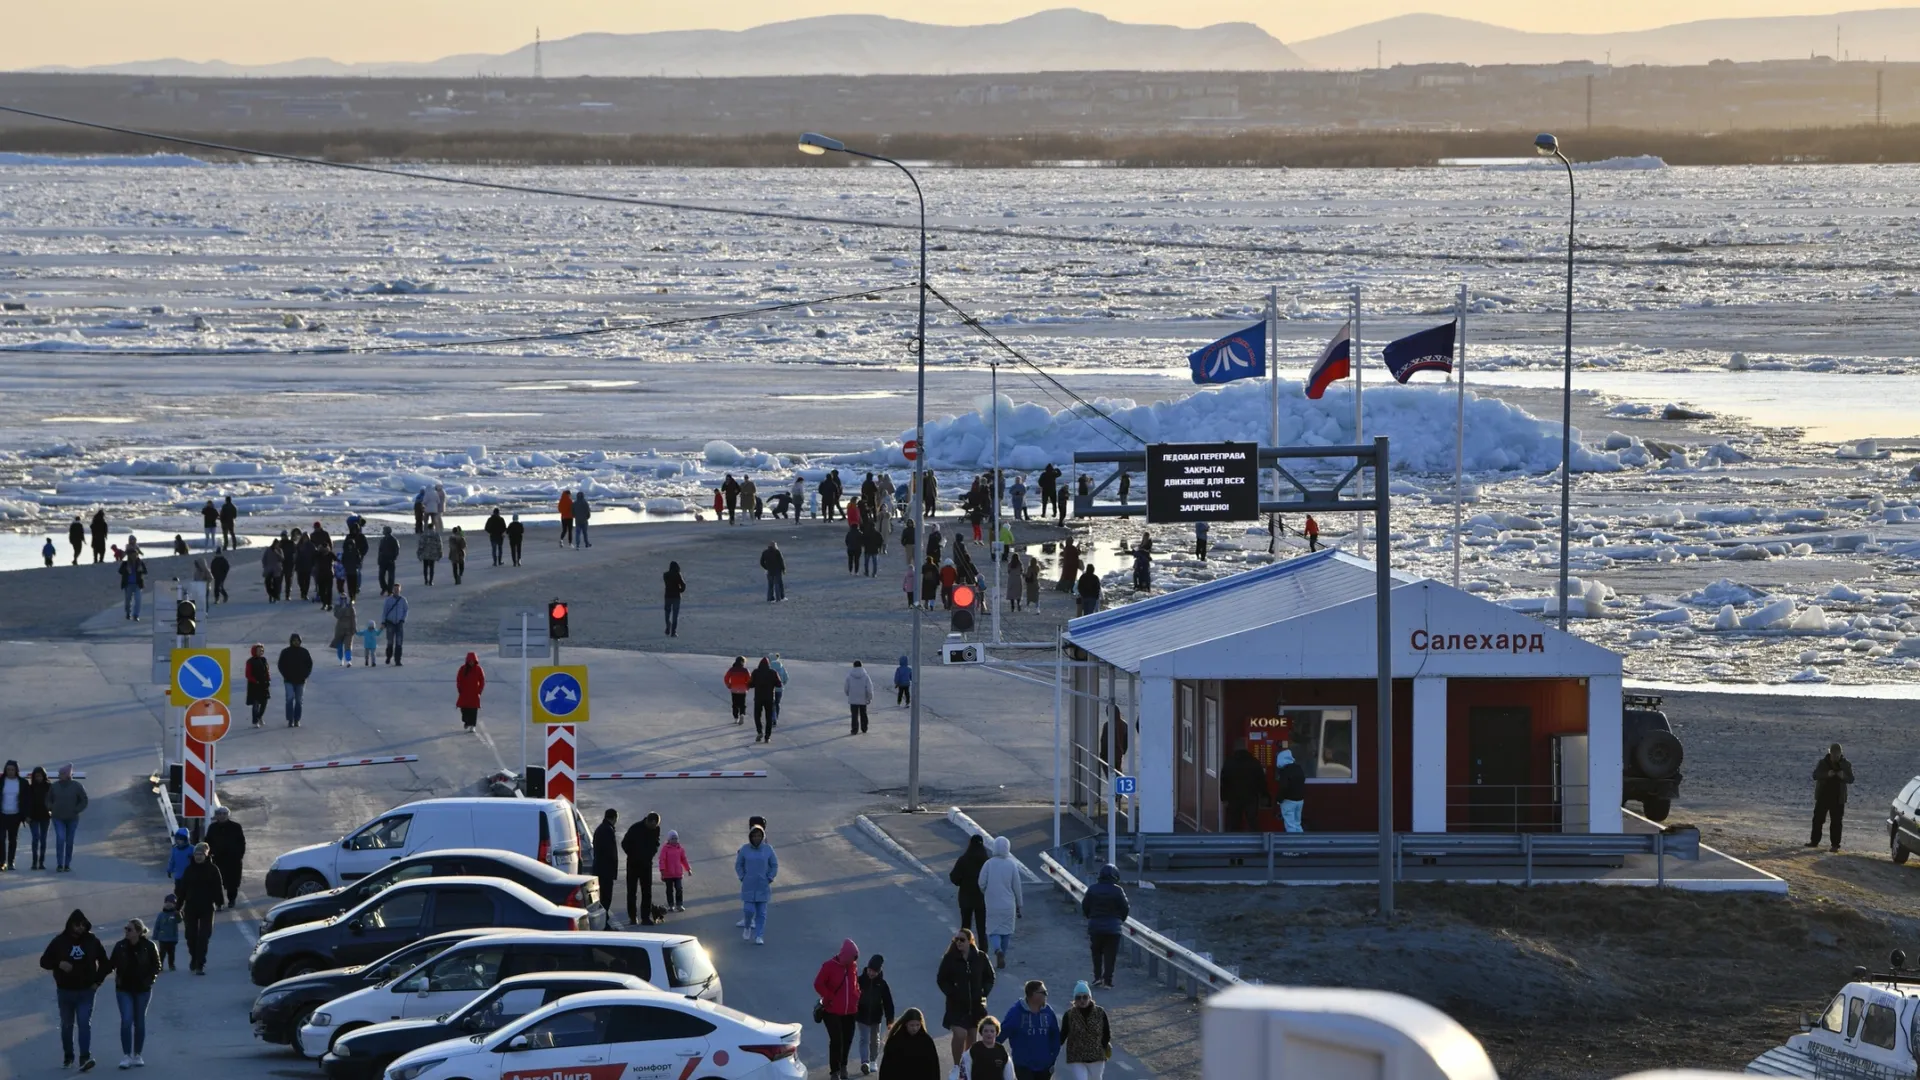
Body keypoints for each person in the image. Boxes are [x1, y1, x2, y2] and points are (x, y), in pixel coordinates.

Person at [42, 908, 109, 1071]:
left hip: (87, 990)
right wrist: (58, 964)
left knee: (84, 1023)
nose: (80, 928)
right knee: (67, 1024)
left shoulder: (92, 941)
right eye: (77, 925)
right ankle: (68, 1056)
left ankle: (84, 1058)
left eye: (83, 925)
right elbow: (44, 961)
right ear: (70, 925)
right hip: (65, 991)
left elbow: (105, 963)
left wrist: (97, 982)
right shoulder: (59, 941)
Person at [937, 928, 995, 1067]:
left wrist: (983, 992)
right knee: (960, 1034)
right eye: (956, 940)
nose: (958, 943)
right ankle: (957, 1066)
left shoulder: (980, 957)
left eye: (962, 940)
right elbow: (941, 979)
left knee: (972, 1038)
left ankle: (967, 1067)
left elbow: (990, 977)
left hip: (975, 1006)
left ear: (970, 941)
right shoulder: (950, 958)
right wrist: (952, 992)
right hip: (956, 1006)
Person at [110, 918, 160, 1068]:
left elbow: (156, 966)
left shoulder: (149, 946)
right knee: (126, 1020)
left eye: (129, 929)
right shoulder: (120, 946)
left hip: (142, 990)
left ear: (138, 931)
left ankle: (137, 1055)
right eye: (126, 928)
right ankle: (126, 1055)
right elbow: (111, 964)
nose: (126, 931)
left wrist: (149, 981)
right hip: (124, 989)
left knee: (139, 1022)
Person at [814, 938, 863, 1079]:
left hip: (850, 1011)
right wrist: (829, 997)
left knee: (847, 1040)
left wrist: (857, 994)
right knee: (836, 1040)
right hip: (832, 1011)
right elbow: (818, 984)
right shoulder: (829, 966)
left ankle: (843, 1066)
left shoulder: (852, 966)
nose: (854, 960)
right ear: (846, 955)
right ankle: (834, 1071)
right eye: (853, 957)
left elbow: (854, 984)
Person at [177, 843, 223, 975]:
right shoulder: (189, 870)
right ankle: (194, 958)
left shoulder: (213, 869)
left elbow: (218, 886)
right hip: (191, 907)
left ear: (206, 855)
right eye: (196, 854)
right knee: (190, 936)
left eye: (201, 854)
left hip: (207, 907)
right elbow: (182, 889)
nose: (198, 857)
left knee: (204, 936)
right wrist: (178, 906)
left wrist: (219, 902)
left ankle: (200, 964)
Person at [979, 836, 1024, 969]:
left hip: (992, 903)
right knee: (1006, 931)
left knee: (993, 930)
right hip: (1008, 904)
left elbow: (981, 882)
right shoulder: (1011, 864)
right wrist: (1019, 904)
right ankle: (1002, 953)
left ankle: (997, 950)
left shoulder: (988, 864)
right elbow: (1017, 886)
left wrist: (986, 891)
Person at [1080, 865, 1129, 990]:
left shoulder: (1092, 889)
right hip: (1113, 928)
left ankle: (1097, 977)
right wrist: (1119, 920)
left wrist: (1091, 918)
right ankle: (1107, 981)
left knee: (1096, 953)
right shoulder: (1118, 890)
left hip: (1095, 926)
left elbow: (1085, 906)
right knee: (1110, 955)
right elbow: (1125, 908)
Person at [1003, 980, 1061, 1080]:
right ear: (1032, 994)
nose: (1046, 995)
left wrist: (1053, 1057)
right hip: (1023, 1065)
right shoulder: (1016, 1012)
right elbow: (1002, 1032)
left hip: (1045, 1065)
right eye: (1043, 992)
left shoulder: (1048, 1011)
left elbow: (1055, 1035)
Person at [734, 823, 777, 945]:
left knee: (762, 913)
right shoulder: (744, 849)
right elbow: (739, 864)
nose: (757, 838)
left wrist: (770, 877)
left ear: (762, 836)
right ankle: (747, 926)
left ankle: (759, 935)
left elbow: (774, 865)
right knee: (748, 910)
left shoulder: (768, 849)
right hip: (749, 885)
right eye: (754, 836)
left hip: (763, 885)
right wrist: (742, 876)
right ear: (750, 837)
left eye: (759, 835)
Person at [1059, 982, 1111, 1080]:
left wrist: (1102, 1047)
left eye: (1085, 997)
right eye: (1078, 997)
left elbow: (1106, 1033)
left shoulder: (1100, 1012)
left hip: (1096, 1057)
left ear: (1090, 997)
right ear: (1074, 1000)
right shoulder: (1069, 1015)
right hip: (1076, 1057)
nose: (1082, 1000)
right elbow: (1063, 1035)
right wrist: (1052, 1049)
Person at [856, 953, 896, 1076]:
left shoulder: (882, 985)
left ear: (878, 972)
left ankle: (873, 1060)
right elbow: (853, 997)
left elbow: (888, 1002)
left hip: (875, 1017)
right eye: (869, 970)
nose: (871, 973)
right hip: (861, 1015)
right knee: (864, 1039)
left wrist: (890, 1019)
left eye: (874, 971)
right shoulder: (860, 980)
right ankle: (865, 1062)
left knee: (875, 1039)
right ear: (867, 968)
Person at [1811, 742, 1854, 851]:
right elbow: (1815, 775)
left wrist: (1843, 776)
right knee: (1818, 819)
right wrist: (1827, 774)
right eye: (1834, 755)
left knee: (1836, 822)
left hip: (1838, 798)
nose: (1835, 757)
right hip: (1823, 796)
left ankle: (1835, 845)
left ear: (1841, 754)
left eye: (1838, 755)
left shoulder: (1846, 764)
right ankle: (1814, 841)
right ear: (1830, 753)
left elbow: (1851, 779)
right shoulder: (1822, 763)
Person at [622, 810, 662, 926]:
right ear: (649, 821)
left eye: (656, 826)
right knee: (632, 892)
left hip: (646, 865)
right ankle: (633, 917)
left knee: (647, 892)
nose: (654, 828)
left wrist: (651, 853)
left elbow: (656, 843)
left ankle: (645, 917)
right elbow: (624, 843)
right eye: (653, 825)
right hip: (633, 864)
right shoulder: (635, 828)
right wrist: (633, 855)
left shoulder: (656, 829)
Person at [878, 1008, 941, 1080]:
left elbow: (934, 1067)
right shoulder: (895, 1041)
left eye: (917, 1025)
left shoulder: (926, 1041)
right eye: (912, 1025)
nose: (915, 1028)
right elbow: (886, 1068)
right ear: (906, 1024)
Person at [949, 834, 989, 947]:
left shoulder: (964, 859)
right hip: (982, 898)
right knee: (982, 928)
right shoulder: (986, 861)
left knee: (966, 927)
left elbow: (954, 877)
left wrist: (962, 883)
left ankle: (964, 950)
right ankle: (983, 953)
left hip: (966, 898)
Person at [49, 763, 88, 873]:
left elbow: (84, 800)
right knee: (60, 838)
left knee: (69, 841)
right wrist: (51, 807)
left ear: (68, 775)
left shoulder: (77, 786)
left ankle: (67, 864)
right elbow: (48, 799)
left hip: (72, 818)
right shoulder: (54, 786)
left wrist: (76, 809)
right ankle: (59, 864)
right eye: (59, 773)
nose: (59, 775)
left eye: (62, 774)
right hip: (57, 817)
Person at [1220, 748, 1270, 832]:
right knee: (1252, 819)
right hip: (1251, 796)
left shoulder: (1229, 763)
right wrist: (1264, 794)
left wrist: (1223, 797)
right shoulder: (1254, 763)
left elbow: (1224, 781)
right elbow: (1261, 780)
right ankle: (1256, 839)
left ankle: (1232, 839)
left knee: (1234, 820)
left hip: (1234, 796)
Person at [206, 807, 245, 907]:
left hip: (233, 860)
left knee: (233, 882)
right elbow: (207, 842)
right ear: (216, 815)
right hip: (217, 859)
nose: (222, 816)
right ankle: (219, 903)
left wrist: (239, 855)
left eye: (224, 813)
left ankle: (232, 900)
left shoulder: (236, 827)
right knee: (216, 882)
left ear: (228, 814)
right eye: (219, 814)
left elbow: (241, 842)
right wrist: (208, 855)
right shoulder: (212, 827)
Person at [277, 634, 312, 728]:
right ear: (291, 641)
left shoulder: (304, 652)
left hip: (301, 681)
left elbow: (309, 665)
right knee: (289, 698)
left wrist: (305, 675)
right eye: (294, 640)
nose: (296, 642)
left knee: (299, 700)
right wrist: (285, 674)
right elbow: (280, 664)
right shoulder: (285, 652)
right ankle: (290, 719)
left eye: (298, 640)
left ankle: (297, 720)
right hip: (288, 680)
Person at [970, 1016, 1016, 1080]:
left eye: (992, 1031)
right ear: (981, 1032)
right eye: (986, 1031)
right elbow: (965, 1071)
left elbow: (1009, 1074)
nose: (989, 1034)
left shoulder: (1001, 1050)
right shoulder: (974, 1049)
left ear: (996, 1033)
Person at [591, 809, 619, 915]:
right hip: (606, 870)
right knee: (606, 897)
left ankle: (603, 920)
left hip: (599, 867)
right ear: (614, 818)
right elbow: (610, 853)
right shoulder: (608, 830)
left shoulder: (600, 829)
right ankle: (604, 921)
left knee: (601, 896)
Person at [24, 764, 51, 870]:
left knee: (43, 839)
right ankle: (34, 861)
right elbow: (26, 803)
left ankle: (41, 862)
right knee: (35, 838)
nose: (38, 778)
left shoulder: (49, 787)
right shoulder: (30, 788)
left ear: (44, 776)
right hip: (33, 817)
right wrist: (27, 816)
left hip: (45, 816)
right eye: (36, 776)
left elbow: (53, 800)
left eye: (40, 776)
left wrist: (52, 810)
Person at [1275, 743, 1306, 833]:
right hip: (1300, 800)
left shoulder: (1285, 771)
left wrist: (1279, 800)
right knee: (1297, 823)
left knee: (1290, 825)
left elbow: (1284, 787)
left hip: (1288, 801)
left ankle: (1293, 844)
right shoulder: (1298, 768)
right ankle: (1301, 842)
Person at [750, 657, 782, 743]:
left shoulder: (756, 672)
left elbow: (750, 684)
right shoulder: (773, 672)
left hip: (758, 698)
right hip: (770, 698)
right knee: (769, 718)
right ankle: (767, 737)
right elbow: (779, 684)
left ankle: (759, 731)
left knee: (757, 715)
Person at [659, 829, 691, 913]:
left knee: (679, 888)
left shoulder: (680, 849)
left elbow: (684, 859)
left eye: (676, 838)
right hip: (668, 874)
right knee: (669, 890)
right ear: (669, 840)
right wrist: (662, 871)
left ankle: (679, 904)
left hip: (678, 874)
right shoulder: (665, 849)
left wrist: (688, 869)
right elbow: (662, 860)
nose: (675, 840)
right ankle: (671, 905)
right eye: (673, 838)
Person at [455, 652, 486, 731]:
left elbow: (482, 680)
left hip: (474, 693)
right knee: (464, 709)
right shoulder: (463, 669)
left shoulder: (478, 669)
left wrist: (479, 690)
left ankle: (472, 725)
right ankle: (466, 721)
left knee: (473, 710)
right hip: (465, 692)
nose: (471, 662)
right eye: (470, 661)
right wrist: (459, 688)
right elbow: (459, 679)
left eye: (473, 661)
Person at [0, 759, 21, 871]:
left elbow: (25, 799)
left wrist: (25, 815)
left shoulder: (21, 782)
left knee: (13, 839)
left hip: (15, 816)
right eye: (8, 769)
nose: (10, 771)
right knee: (1, 838)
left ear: (16, 770)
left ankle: (11, 861)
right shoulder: (1, 781)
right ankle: (2, 862)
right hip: (2, 815)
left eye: (12, 769)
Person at [845, 659, 875, 735]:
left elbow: (846, 687)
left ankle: (854, 729)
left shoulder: (849, 676)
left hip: (853, 698)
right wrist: (869, 697)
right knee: (863, 713)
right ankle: (864, 728)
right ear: (861, 666)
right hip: (863, 698)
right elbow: (869, 688)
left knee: (854, 715)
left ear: (854, 666)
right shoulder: (866, 676)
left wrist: (848, 694)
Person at [244, 644, 271, 727]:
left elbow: (267, 671)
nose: (261, 652)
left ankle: (260, 716)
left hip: (264, 684)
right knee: (256, 704)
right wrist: (255, 681)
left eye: (262, 650)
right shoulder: (250, 661)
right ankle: (255, 721)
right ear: (254, 651)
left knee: (264, 702)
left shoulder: (264, 660)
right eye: (259, 650)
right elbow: (248, 674)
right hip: (254, 685)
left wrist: (268, 679)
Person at [151, 896, 180, 973]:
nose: (169, 905)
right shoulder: (161, 914)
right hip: (162, 938)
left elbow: (179, 920)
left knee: (171, 953)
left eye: (171, 903)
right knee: (162, 953)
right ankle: (160, 965)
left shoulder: (175, 914)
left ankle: (171, 965)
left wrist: (178, 914)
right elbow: (157, 925)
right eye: (167, 903)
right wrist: (155, 935)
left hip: (172, 938)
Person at [382, 585, 408, 665]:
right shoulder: (388, 600)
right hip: (390, 623)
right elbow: (384, 612)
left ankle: (398, 660)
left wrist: (403, 619)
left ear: (400, 590)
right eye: (395, 589)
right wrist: (383, 622)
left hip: (399, 623)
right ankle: (388, 657)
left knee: (399, 642)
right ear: (393, 590)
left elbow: (406, 611)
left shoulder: (403, 600)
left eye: (398, 589)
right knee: (390, 641)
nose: (396, 591)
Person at [330, 592, 357, 668]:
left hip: (349, 629)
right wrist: (342, 608)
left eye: (344, 598)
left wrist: (354, 628)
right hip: (340, 629)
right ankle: (341, 660)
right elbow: (337, 616)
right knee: (339, 646)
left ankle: (349, 661)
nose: (343, 600)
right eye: (342, 599)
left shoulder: (351, 607)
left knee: (348, 646)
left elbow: (353, 618)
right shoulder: (337, 607)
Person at [119, 551, 145, 621]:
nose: (134, 557)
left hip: (138, 585)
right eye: (132, 555)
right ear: (129, 556)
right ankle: (128, 613)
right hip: (128, 585)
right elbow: (120, 571)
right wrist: (126, 570)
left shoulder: (140, 563)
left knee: (138, 600)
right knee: (128, 601)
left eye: (135, 555)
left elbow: (145, 571)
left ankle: (136, 615)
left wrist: (141, 569)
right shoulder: (125, 563)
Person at [165, 828, 193, 893]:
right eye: (177, 838)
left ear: (186, 839)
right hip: (178, 876)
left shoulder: (192, 849)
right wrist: (169, 870)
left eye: (181, 839)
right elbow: (172, 861)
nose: (179, 841)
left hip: (189, 877)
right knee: (178, 892)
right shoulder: (175, 849)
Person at [724, 656, 750, 724]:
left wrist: (729, 685)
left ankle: (736, 718)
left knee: (735, 704)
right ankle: (742, 714)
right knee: (742, 704)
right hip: (743, 690)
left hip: (734, 689)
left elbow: (726, 678)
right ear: (742, 662)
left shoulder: (732, 669)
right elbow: (749, 679)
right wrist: (747, 686)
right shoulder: (745, 670)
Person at [662, 561, 686, 637]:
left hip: (668, 596)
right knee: (675, 615)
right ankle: (673, 631)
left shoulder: (665, 575)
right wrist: (680, 590)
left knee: (667, 613)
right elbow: (683, 585)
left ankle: (668, 626)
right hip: (676, 596)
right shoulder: (678, 575)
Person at [376, 526, 400, 595]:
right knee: (381, 576)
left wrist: (393, 558)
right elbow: (380, 551)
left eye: (384, 530)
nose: (383, 532)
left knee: (390, 577)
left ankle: (389, 590)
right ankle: (384, 588)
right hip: (383, 560)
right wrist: (379, 559)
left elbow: (396, 550)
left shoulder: (394, 540)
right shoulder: (382, 540)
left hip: (390, 561)